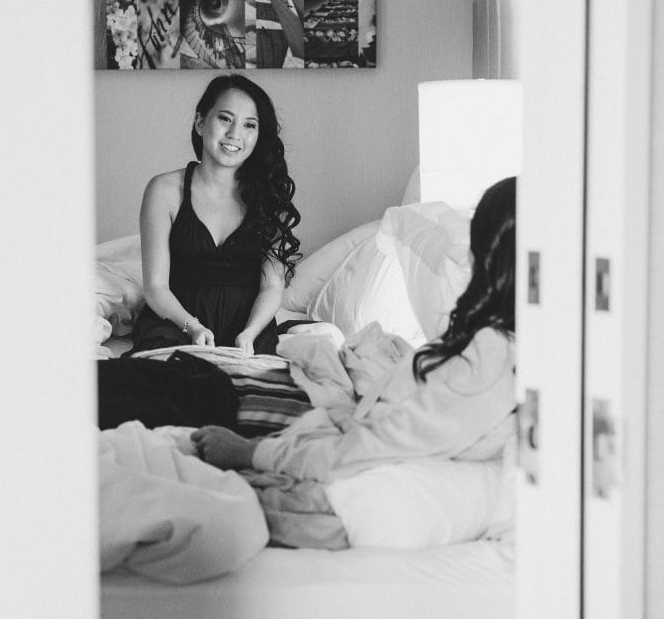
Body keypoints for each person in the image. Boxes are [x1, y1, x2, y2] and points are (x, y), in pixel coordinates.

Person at [191, 176, 518, 479]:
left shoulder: (486, 361)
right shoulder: (501, 343)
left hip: (364, 464)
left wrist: (250, 453)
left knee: (208, 396)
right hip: (371, 421)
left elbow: (372, 448)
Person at [126, 75, 301, 357]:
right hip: (176, 323)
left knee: (258, 382)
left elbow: (271, 286)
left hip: (247, 326)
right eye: (225, 118)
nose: (234, 134)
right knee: (171, 376)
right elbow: (156, 287)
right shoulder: (163, 190)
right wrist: (192, 327)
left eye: (249, 125)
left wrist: (250, 333)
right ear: (200, 122)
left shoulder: (269, 195)